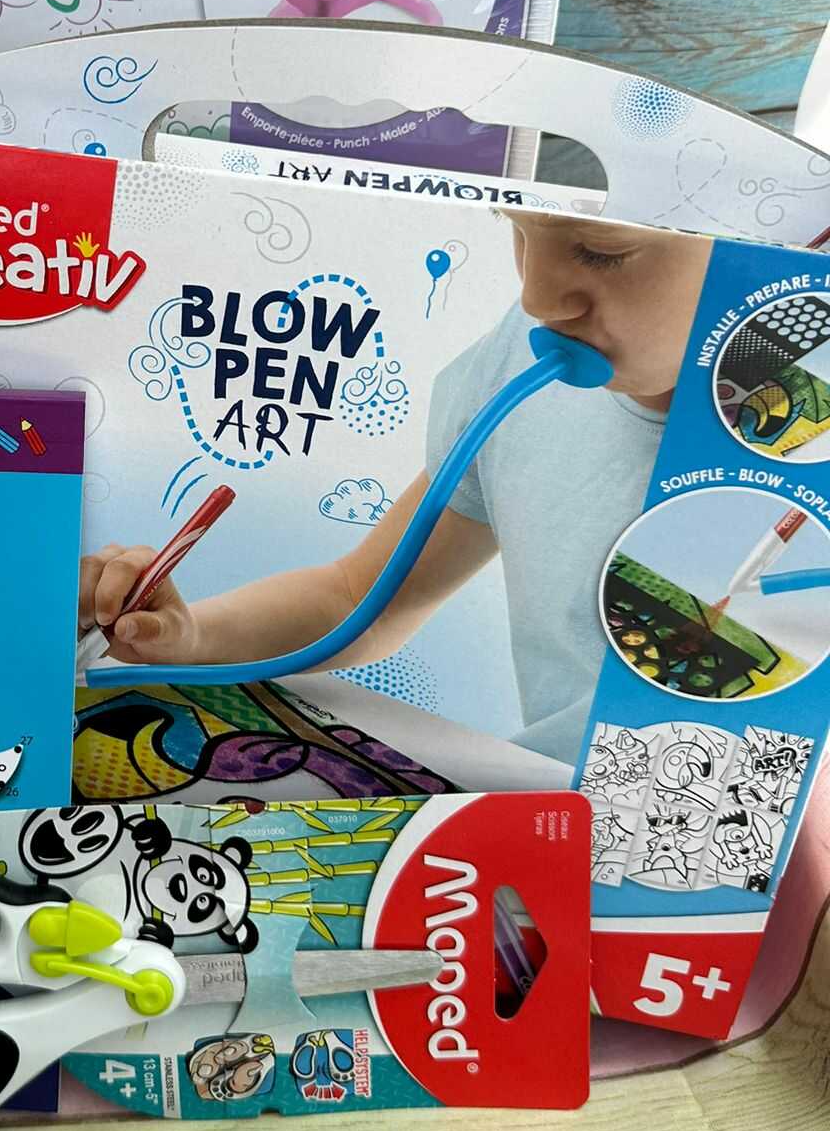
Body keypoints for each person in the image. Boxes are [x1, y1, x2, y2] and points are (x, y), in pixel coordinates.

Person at [80, 211, 713, 764]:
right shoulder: (519, 359)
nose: (538, 298)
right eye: (517, 229)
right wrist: (190, 637)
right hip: (543, 819)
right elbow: (357, 596)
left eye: (601, 250)